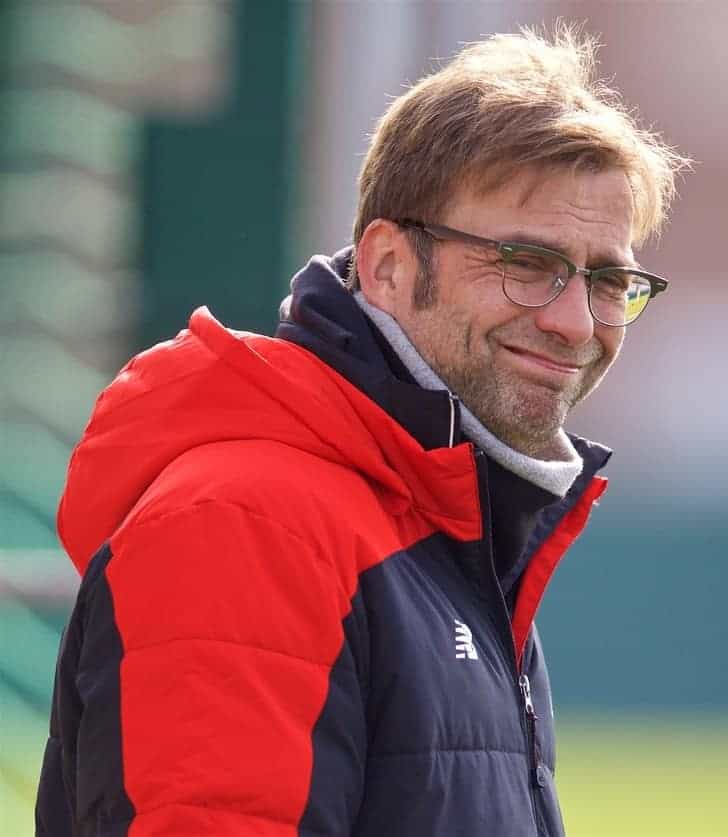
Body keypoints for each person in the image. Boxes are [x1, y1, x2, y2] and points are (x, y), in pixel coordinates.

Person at [35, 26, 688, 837]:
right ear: (387, 267)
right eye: (526, 262)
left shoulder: (443, 525)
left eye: (609, 279)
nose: (573, 319)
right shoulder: (248, 523)